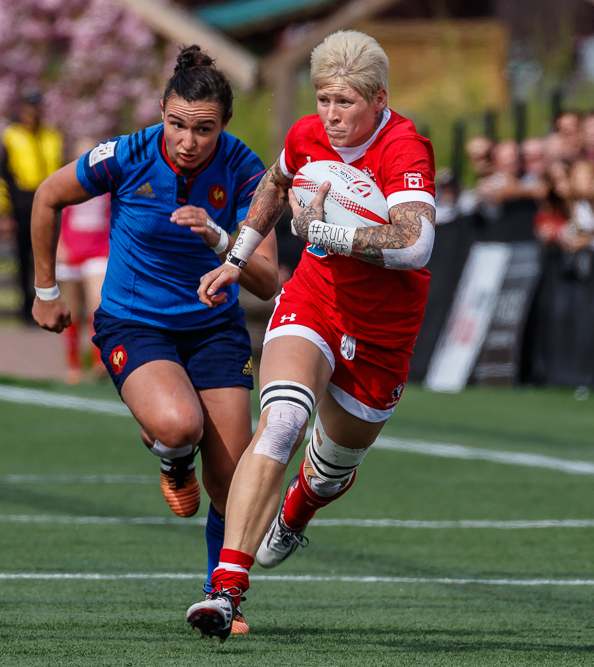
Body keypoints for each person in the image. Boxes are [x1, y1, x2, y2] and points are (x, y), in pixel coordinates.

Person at [185, 30, 436, 641]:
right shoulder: (308, 133)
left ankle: (299, 506)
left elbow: (415, 243)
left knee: (329, 468)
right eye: (324, 99)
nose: (331, 115)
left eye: (345, 102)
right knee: (282, 421)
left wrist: (328, 234)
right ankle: (226, 589)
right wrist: (238, 256)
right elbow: (276, 182)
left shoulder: (406, 148)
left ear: (378, 98)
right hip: (315, 301)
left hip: (382, 332)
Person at [27, 45, 280, 635]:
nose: (188, 140)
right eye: (177, 124)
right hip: (133, 322)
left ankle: (223, 598)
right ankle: (171, 456)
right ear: (161, 112)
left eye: (204, 129)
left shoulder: (246, 171)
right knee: (178, 425)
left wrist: (222, 238)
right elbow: (47, 196)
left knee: (232, 478)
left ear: (224, 126)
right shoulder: (130, 153)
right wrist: (44, 291)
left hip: (214, 326)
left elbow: (268, 282)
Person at [0, 88, 64, 324]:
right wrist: (3, 211)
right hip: (22, 205)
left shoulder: (53, 137)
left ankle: (51, 304)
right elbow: (3, 177)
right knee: (23, 259)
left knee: (49, 257)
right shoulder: (10, 136)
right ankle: (26, 310)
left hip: (52, 203)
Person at [56, 136, 111, 384]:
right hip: (69, 254)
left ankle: (100, 361)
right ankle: (73, 364)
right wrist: (58, 245)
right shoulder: (66, 183)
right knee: (72, 312)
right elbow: (53, 214)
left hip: (98, 252)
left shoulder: (109, 183)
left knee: (98, 304)